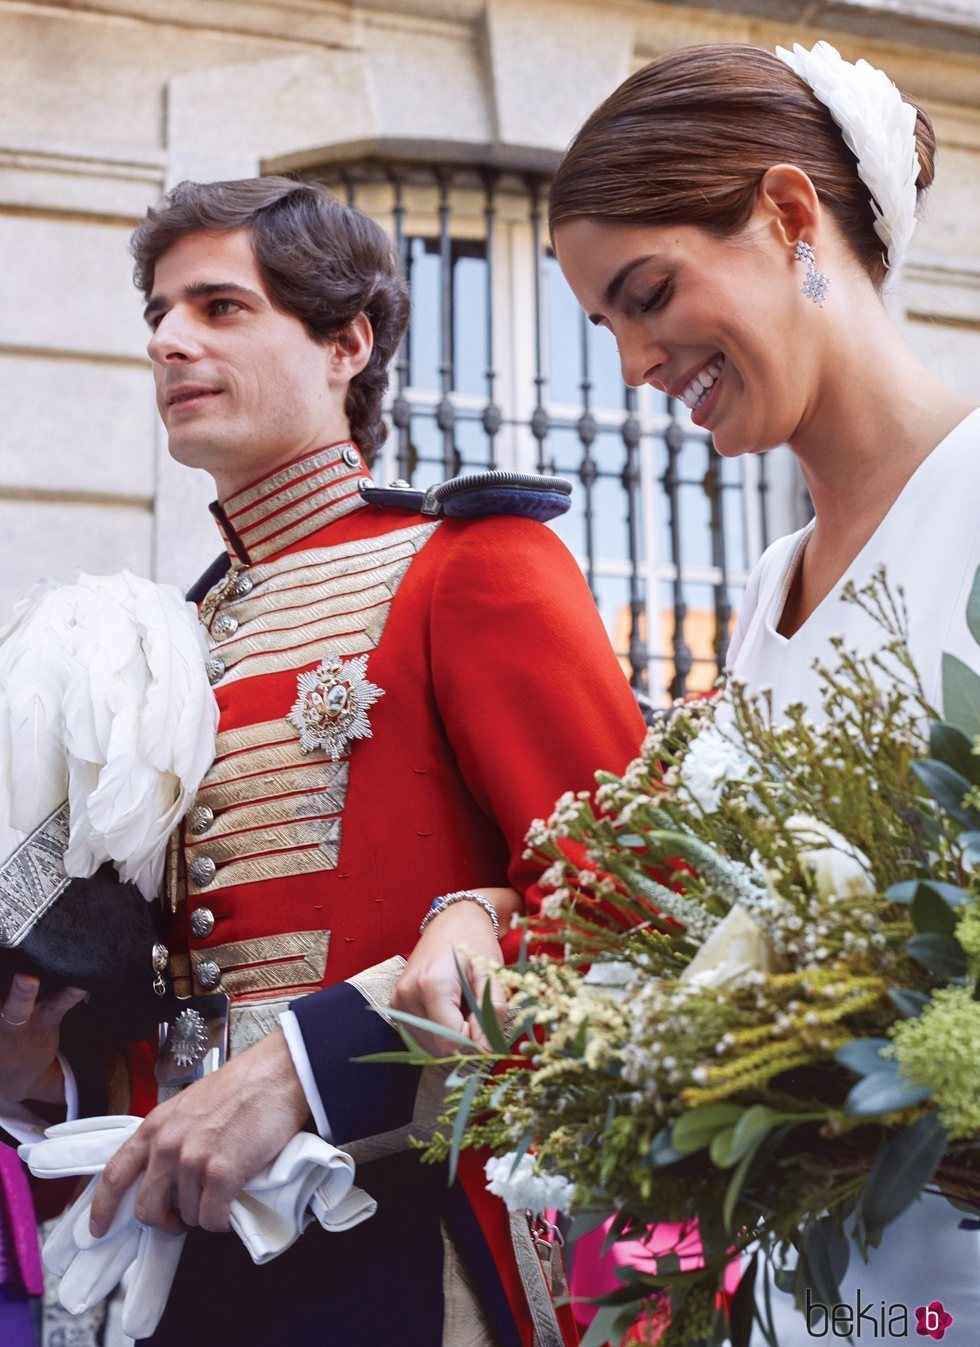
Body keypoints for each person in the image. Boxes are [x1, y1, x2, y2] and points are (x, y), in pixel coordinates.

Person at [0, 177, 645, 1345]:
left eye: (220, 306)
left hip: (404, 1233)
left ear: (348, 341)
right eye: (158, 311)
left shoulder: (469, 563)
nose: (168, 339)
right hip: (174, 1245)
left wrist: (317, 1064)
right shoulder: (166, 643)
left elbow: (628, 908)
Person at [546, 38, 979, 1346]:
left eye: (649, 291)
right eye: (606, 326)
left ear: (792, 215)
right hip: (816, 1287)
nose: (633, 364)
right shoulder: (763, 583)